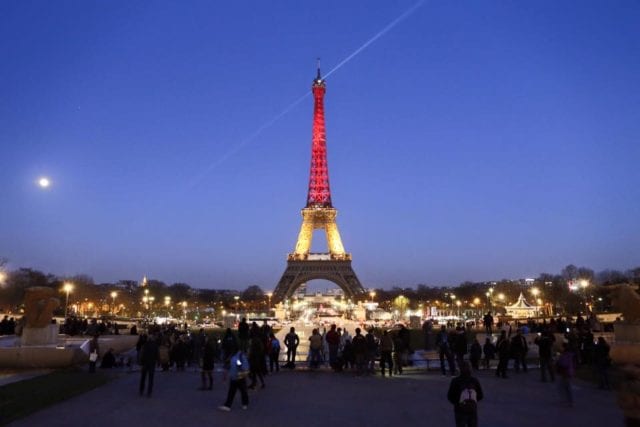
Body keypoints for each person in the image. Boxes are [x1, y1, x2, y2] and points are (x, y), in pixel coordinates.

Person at [447, 361, 484, 427]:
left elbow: (450, 396)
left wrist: (458, 402)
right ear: (470, 369)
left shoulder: (455, 381)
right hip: (472, 409)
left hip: (459, 409)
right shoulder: (474, 380)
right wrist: (472, 401)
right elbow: (480, 395)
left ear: (460, 369)